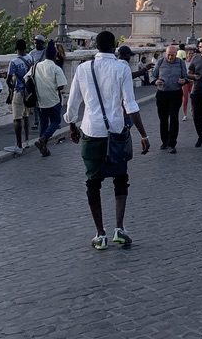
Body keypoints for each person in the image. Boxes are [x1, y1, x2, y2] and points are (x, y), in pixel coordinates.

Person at [64, 30, 150, 250]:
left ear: (96, 46)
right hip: (116, 133)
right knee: (120, 179)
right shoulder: (121, 68)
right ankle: (119, 229)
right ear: (114, 46)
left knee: (93, 182)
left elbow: (73, 103)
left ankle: (100, 233)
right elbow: (130, 105)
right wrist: (143, 134)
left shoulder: (83, 69)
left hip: (91, 132)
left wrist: (72, 125)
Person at [151, 44, 189, 153]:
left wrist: (184, 81)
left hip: (175, 94)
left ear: (176, 54)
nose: (170, 57)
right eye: (168, 55)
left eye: (172, 55)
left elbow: (185, 77)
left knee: (173, 117)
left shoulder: (181, 63)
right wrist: (155, 82)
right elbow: (153, 76)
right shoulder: (160, 62)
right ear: (165, 54)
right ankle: (164, 141)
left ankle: (172, 143)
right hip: (162, 94)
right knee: (163, 119)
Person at [33, 40, 68, 156]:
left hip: (39, 100)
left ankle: (43, 148)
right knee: (55, 121)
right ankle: (43, 140)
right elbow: (61, 85)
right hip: (53, 100)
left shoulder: (37, 65)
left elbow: (27, 77)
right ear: (54, 55)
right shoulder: (56, 68)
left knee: (43, 123)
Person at [4, 39, 35, 154]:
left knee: (17, 118)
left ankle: (18, 145)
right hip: (29, 92)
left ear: (16, 49)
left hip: (19, 91)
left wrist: (11, 90)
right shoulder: (31, 59)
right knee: (26, 116)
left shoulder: (14, 62)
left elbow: (8, 79)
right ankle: (27, 141)